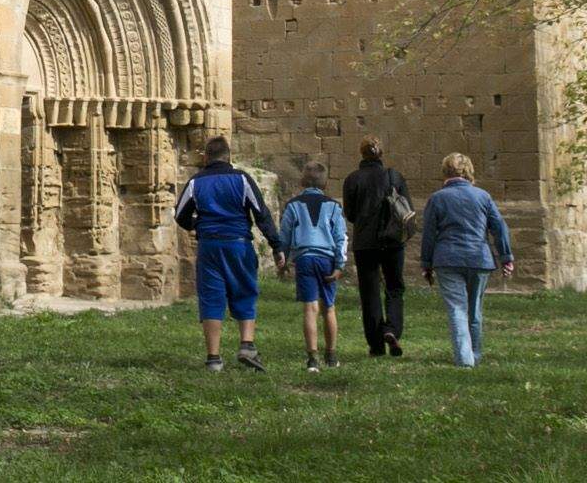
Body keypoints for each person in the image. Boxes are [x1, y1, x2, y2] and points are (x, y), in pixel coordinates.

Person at [174, 135, 284, 372]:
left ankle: (213, 358)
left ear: (206, 157)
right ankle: (247, 345)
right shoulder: (241, 180)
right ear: (229, 157)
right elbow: (261, 213)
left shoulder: (196, 182)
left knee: (211, 296)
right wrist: (276, 246)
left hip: (210, 245)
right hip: (238, 243)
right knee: (244, 289)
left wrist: (197, 226)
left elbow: (180, 214)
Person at [420, 152, 515, 368]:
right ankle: (475, 354)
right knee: (474, 311)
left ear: (445, 172)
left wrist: (426, 263)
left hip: (447, 258)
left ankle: (465, 360)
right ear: (469, 171)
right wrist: (506, 257)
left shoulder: (437, 199)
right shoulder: (483, 197)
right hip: (478, 258)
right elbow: (499, 228)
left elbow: (429, 234)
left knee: (456, 309)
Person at [343, 136, 413, 357]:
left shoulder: (353, 179)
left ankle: (375, 344)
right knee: (394, 286)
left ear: (361, 153)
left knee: (369, 292)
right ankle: (392, 329)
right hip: (392, 240)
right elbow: (406, 209)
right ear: (381, 153)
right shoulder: (394, 176)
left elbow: (351, 214)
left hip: (365, 243)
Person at [276, 160, 348, 372]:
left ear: (301, 182)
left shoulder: (293, 206)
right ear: (326, 184)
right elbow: (341, 237)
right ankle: (332, 355)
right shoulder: (334, 206)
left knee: (310, 307)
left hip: (305, 258)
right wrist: (340, 264)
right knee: (329, 308)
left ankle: (312, 358)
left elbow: (284, 236)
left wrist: (282, 259)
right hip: (327, 260)